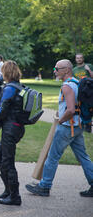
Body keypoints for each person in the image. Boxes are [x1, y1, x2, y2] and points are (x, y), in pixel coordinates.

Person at [25, 60, 93, 197]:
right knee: (83, 157)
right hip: (78, 126)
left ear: (67, 70)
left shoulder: (67, 86)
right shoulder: (76, 82)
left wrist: (60, 121)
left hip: (67, 127)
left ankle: (44, 186)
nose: (55, 71)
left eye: (57, 68)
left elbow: (71, 110)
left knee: (52, 157)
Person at [0, 61, 26, 206]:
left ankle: (15, 197)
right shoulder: (19, 86)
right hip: (16, 128)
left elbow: (2, 111)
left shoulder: (10, 88)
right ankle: (9, 190)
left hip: (11, 129)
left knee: (8, 162)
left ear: (6, 72)